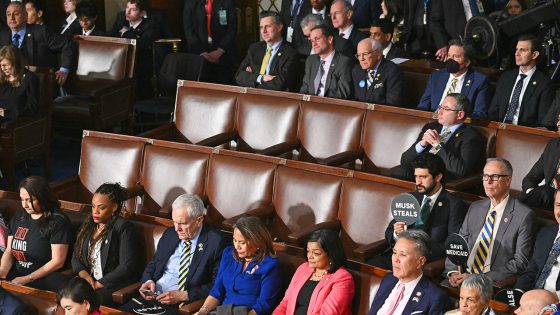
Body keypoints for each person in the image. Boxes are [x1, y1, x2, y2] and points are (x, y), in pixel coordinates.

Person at [120, 194, 227, 315]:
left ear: (199, 220)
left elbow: (217, 285)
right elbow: (154, 264)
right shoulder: (170, 234)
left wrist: (184, 296)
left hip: (181, 306)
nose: (177, 228)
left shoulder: (217, 243)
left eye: (182, 223)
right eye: (174, 222)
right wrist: (148, 280)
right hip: (152, 299)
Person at [444, 158, 534, 287]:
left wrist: (479, 278)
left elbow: (520, 262)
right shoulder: (475, 208)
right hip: (461, 277)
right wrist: (453, 272)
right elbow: (458, 244)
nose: (488, 182)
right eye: (485, 176)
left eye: (494, 177)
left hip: (488, 282)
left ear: (508, 180)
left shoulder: (523, 215)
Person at [369, 153, 468, 269]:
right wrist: (397, 233)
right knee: (370, 266)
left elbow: (452, 245)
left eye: (423, 177)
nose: (418, 182)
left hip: (422, 262)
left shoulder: (454, 205)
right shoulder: (410, 199)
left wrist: (417, 251)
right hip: (396, 257)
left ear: (438, 177)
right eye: (416, 176)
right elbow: (390, 231)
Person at [195, 217, 283, 315]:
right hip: (222, 312)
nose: (237, 247)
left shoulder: (270, 265)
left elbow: (264, 306)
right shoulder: (228, 254)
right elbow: (217, 291)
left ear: (258, 242)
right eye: (235, 240)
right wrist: (203, 311)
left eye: (242, 242)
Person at [71, 183, 141, 306]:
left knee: (87, 301)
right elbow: (76, 256)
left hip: (113, 284)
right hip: (89, 282)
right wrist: (83, 274)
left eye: (101, 207)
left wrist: (98, 284)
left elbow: (127, 266)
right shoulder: (89, 225)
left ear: (114, 207)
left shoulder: (123, 228)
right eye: (93, 206)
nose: (95, 212)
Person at [0, 176, 71, 291]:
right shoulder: (19, 216)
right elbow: (9, 250)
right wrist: (3, 271)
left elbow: (57, 262)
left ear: (42, 197)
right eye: (22, 199)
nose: (25, 205)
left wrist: (27, 278)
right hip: (17, 275)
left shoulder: (58, 221)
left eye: (30, 200)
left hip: (42, 278)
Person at [392, 93, 484, 182]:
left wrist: (438, 145)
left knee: (401, 172)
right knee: (399, 172)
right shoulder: (431, 127)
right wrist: (421, 145)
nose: (439, 112)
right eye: (440, 107)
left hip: (439, 179)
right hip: (418, 172)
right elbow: (404, 160)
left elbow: (460, 170)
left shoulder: (470, 137)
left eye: (446, 109)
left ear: (460, 114)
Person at [273, 229, 354, 315]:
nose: (310, 256)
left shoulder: (343, 278)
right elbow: (285, 303)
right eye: (308, 251)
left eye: (316, 253)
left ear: (331, 255)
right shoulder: (303, 268)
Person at [367, 230, 450, 314]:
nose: (396, 259)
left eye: (403, 255)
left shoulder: (434, 297)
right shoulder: (388, 279)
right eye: (394, 253)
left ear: (420, 261)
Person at [0, 1, 76, 86]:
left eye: (16, 14)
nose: (11, 18)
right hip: (9, 85)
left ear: (25, 16)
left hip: (40, 84)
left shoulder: (41, 32)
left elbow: (68, 44)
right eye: (8, 14)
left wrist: (64, 70)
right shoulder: (3, 35)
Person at [488, 34, 554, 128]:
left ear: (534, 55)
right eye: (516, 49)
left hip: (523, 135)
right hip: (499, 129)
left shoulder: (544, 84)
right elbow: (493, 111)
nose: (517, 53)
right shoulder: (506, 77)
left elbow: (542, 121)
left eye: (522, 50)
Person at [417, 39, 490, 119]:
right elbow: (423, 106)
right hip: (433, 122)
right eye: (449, 55)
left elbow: (479, 114)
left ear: (467, 62)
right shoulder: (436, 76)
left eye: (455, 56)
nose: (450, 60)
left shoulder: (479, 81)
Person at [109, 0, 163, 100]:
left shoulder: (151, 24)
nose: (127, 12)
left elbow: (141, 45)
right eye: (127, 8)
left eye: (133, 10)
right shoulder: (121, 19)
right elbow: (111, 37)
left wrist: (126, 33)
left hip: (141, 67)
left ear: (142, 13)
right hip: (121, 64)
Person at [235, 11, 298, 91]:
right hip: (251, 98)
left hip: (274, 100)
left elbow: (280, 83)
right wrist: (262, 78)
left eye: (267, 26)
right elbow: (239, 76)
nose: (264, 31)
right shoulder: (254, 48)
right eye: (261, 27)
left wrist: (252, 79)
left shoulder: (290, 53)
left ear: (279, 27)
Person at [516, 189, 560, 295]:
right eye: (558, 205)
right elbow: (532, 270)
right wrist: (518, 292)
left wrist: (551, 297)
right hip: (532, 298)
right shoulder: (546, 233)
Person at [183, 0, 237, 84]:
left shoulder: (227, 2)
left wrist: (220, 50)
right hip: (198, 57)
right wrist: (202, 53)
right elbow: (188, 30)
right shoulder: (191, 2)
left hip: (223, 56)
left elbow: (232, 28)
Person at [429, 0, 494, 61]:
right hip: (457, 47)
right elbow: (434, 21)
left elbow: (490, 14)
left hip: (483, 44)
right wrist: (442, 44)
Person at [300, 24, 353, 99]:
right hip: (310, 107)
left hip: (330, 108)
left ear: (330, 39)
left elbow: (342, 96)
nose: (314, 44)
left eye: (317, 39)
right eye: (312, 41)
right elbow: (304, 90)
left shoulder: (343, 62)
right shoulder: (311, 60)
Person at [520, 118, 560, 210]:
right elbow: (530, 178)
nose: (558, 124)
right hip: (544, 199)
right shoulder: (553, 145)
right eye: (558, 119)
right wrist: (533, 194)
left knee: (545, 191)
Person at [352, 38, 405, 106]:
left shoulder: (393, 71)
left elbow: (392, 104)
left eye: (365, 54)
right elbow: (353, 99)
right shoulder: (357, 70)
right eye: (359, 55)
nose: (361, 59)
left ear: (378, 54)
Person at [0, 45, 38, 122]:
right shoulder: (1, 77)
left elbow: (32, 109)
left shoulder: (29, 78)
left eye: (5, 65)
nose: (2, 68)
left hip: (16, 123)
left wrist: (8, 113)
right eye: (0, 65)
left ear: (15, 62)